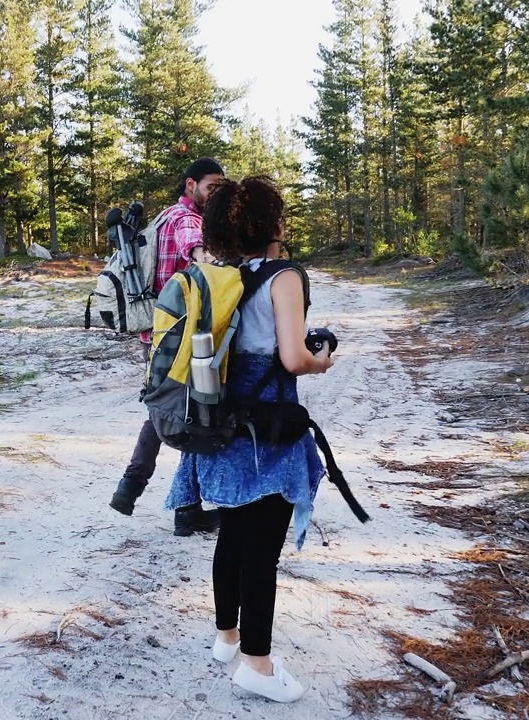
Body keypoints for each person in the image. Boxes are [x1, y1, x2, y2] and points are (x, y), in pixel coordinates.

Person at [165, 176, 333, 703]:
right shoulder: (284, 276)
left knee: (233, 535)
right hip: (269, 432)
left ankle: (227, 637)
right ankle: (258, 664)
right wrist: (319, 359)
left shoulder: (224, 276)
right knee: (263, 549)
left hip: (224, 425)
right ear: (274, 223)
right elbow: (291, 358)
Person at [109, 157, 225, 537]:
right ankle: (143, 490)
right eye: (211, 186)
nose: (216, 193)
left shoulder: (166, 216)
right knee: (189, 414)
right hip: (180, 337)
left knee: (177, 409)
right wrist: (213, 262)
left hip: (160, 336)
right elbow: (197, 250)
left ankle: (167, 501)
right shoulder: (187, 219)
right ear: (191, 185)